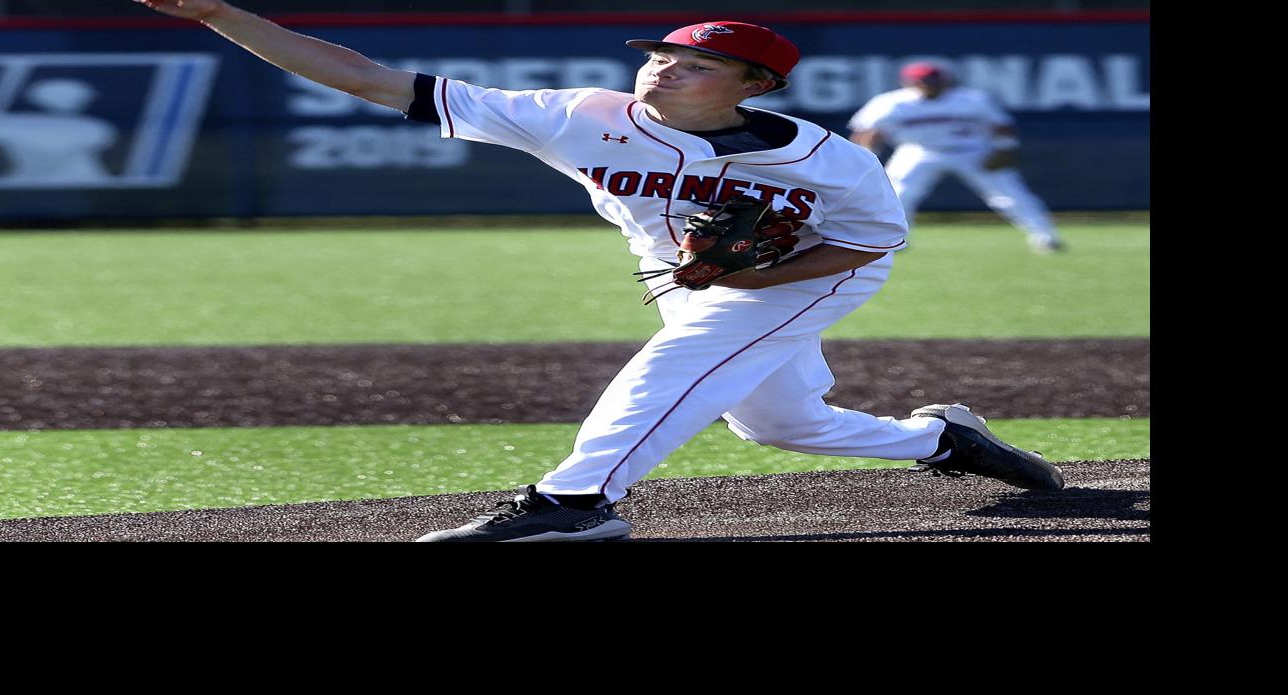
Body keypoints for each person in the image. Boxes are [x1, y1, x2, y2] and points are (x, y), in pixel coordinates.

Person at [133, 1, 1066, 542]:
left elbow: (870, 244)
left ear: (754, 86)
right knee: (782, 424)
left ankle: (574, 501)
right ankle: (940, 441)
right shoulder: (578, 114)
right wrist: (221, 11)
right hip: (683, 272)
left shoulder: (830, 162)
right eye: (662, 52)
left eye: (698, 64)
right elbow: (374, 81)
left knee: (685, 356)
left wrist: (741, 283)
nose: (665, 69)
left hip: (814, 271)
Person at [848, 61, 1066, 254]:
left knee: (1010, 195)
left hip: (971, 150)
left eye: (934, 81)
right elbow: (867, 132)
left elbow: (1001, 126)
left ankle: (1046, 237)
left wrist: (1004, 150)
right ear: (909, 82)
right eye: (924, 81)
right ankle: (893, 242)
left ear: (946, 81)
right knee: (897, 195)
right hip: (918, 151)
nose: (930, 85)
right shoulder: (891, 102)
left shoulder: (971, 99)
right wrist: (866, 159)